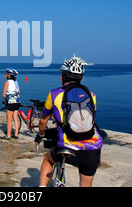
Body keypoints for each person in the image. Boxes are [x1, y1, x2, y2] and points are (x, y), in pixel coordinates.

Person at [35, 55, 103, 187]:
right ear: (81, 78)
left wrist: (41, 135)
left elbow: (43, 121)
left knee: (48, 160)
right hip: (92, 147)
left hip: (68, 146)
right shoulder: (92, 95)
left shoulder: (54, 94)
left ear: (62, 77)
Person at [0, 68, 21, 140]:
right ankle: (16, 134)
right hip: (17, 101)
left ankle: (8, 135)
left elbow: (3, 95)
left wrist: (7, 97)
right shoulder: (16, 82)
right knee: (15, 118)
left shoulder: (7, 82)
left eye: (6, 74)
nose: (5, 75)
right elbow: (19, 91)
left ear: (9, 75)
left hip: (11, 102)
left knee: (8, 120)